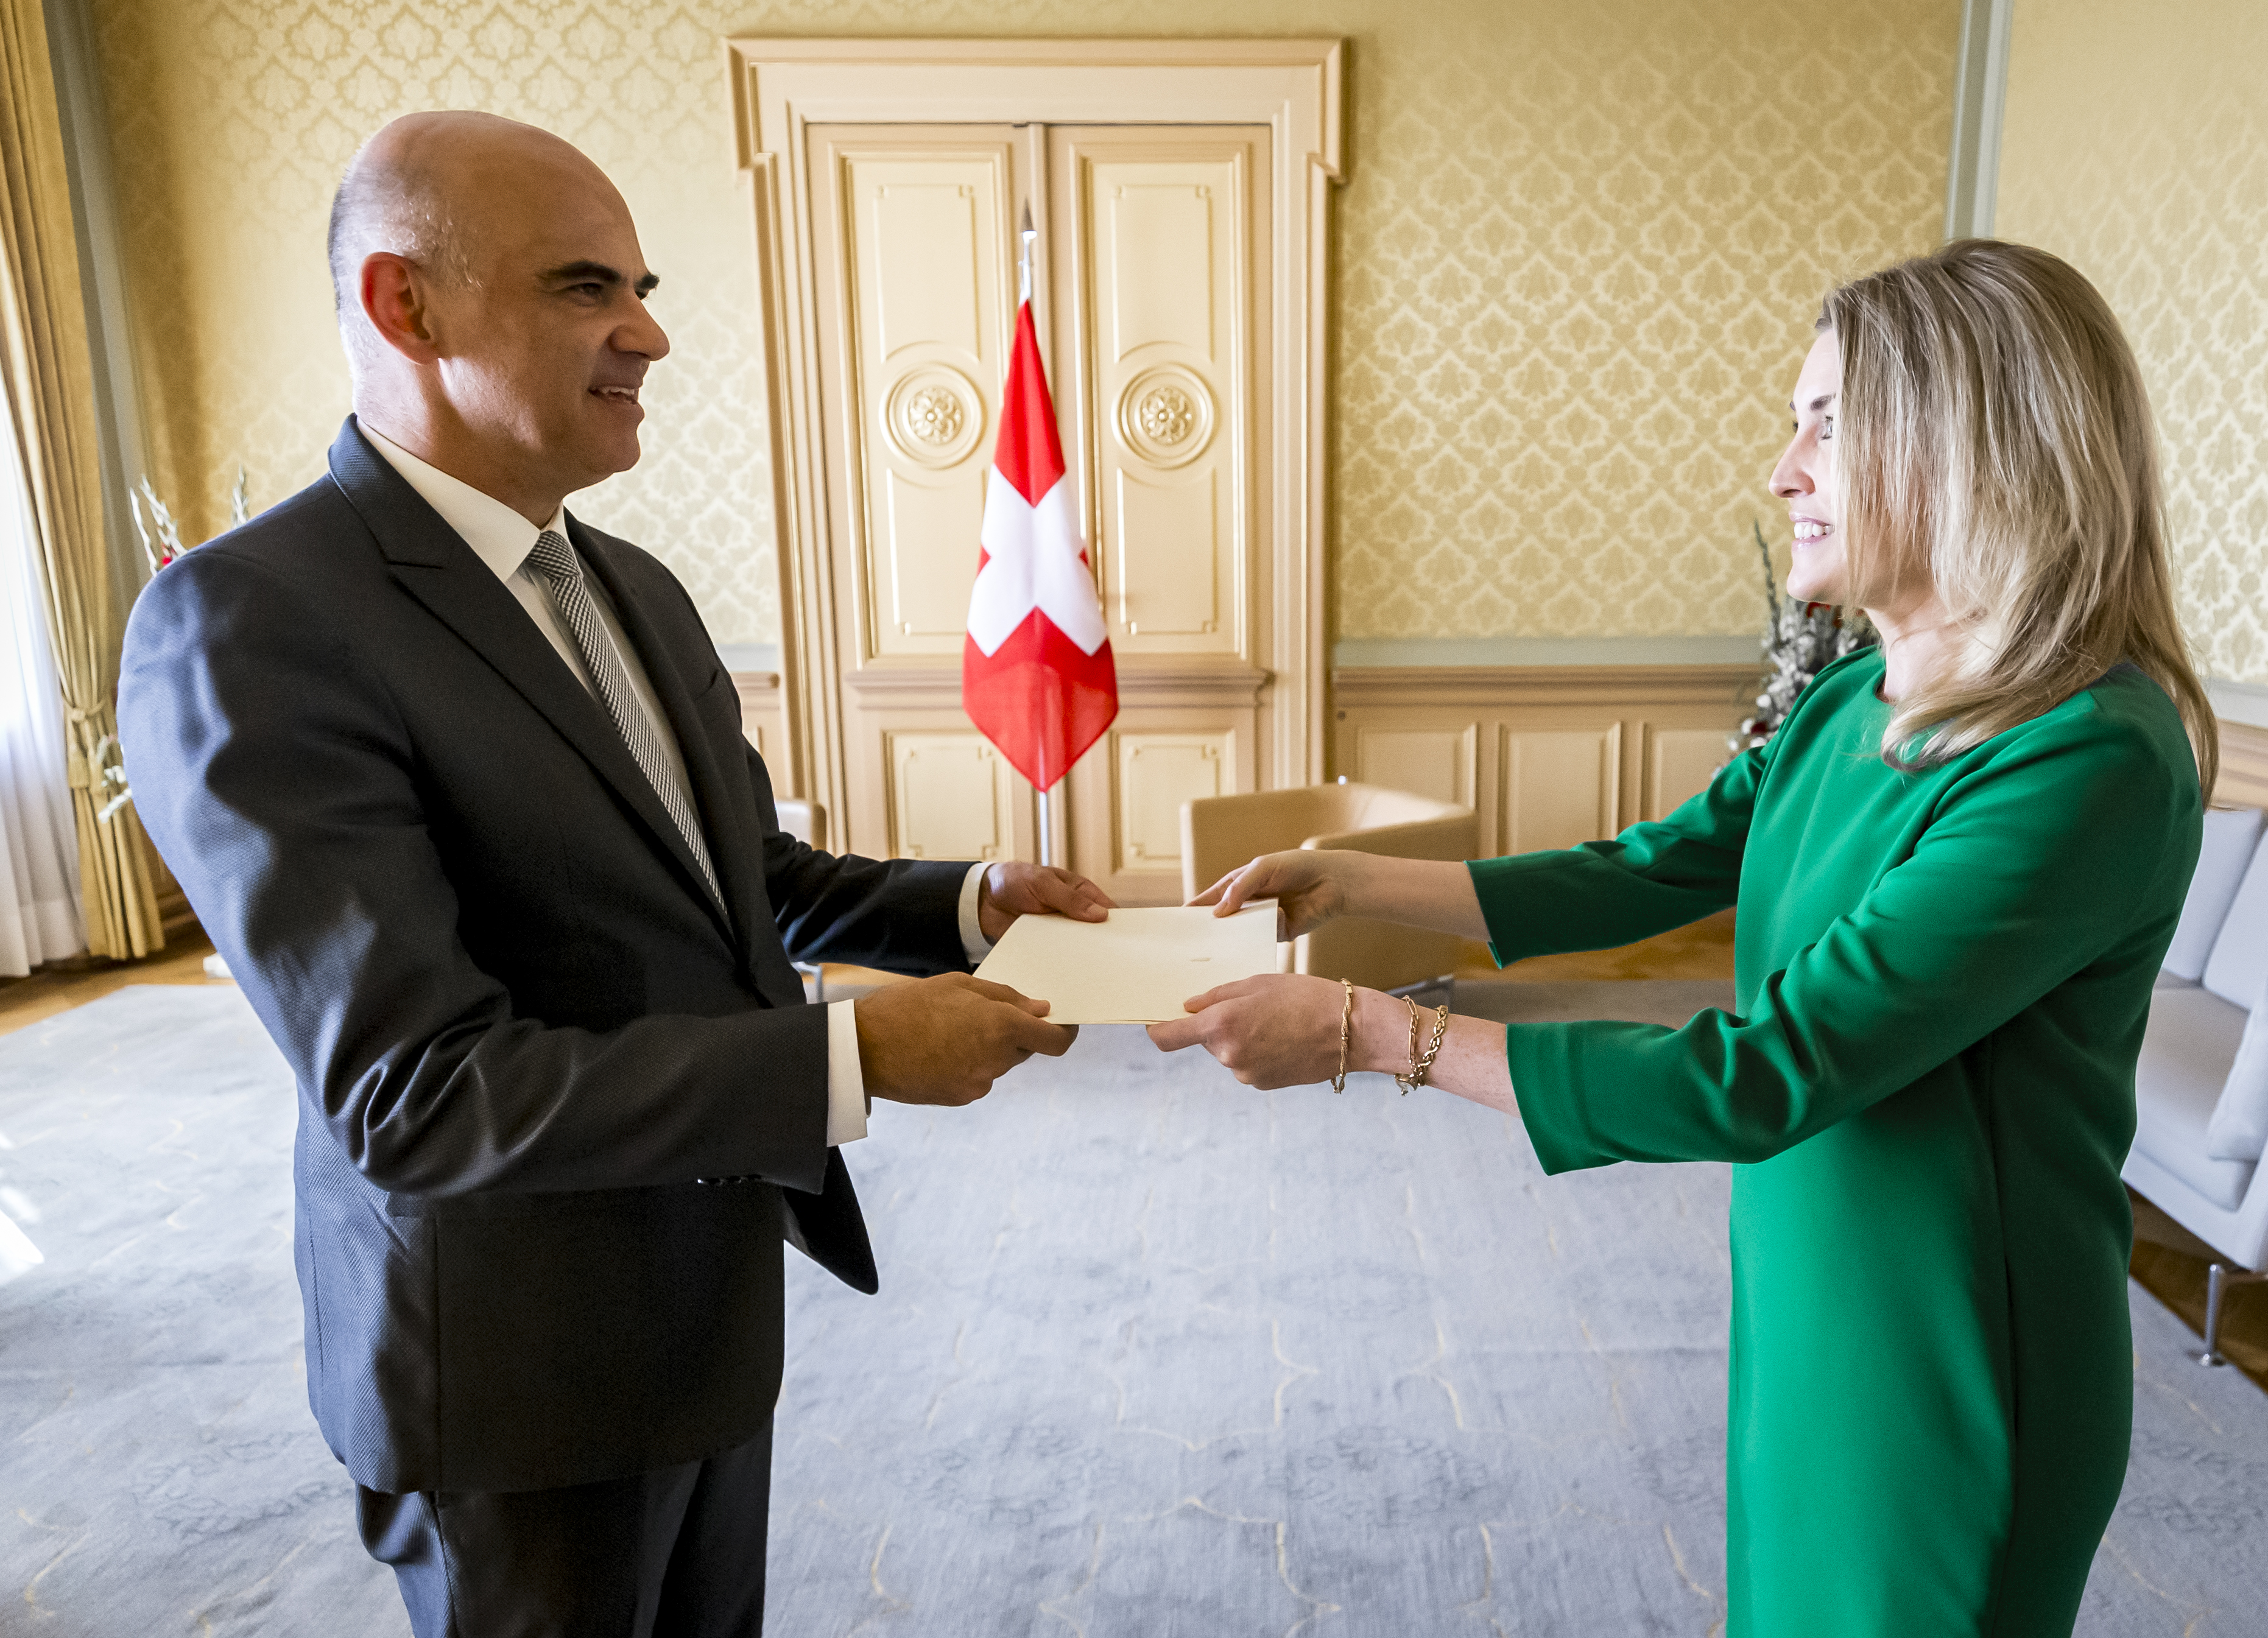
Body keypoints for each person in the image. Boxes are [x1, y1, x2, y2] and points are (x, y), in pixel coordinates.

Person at [118, 111, 1110, 1636]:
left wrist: (969, 900)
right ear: (408, 306)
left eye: (642, 287)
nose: (646, 332)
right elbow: (418, 1093)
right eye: (586, 288)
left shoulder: (626, 584)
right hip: (511, 1375)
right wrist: (841, 1057)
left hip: (701, 1315)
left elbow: (736, 879)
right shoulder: (250, 621)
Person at [1152, 239, 2214, 1636]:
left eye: (1825, 423)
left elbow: (1759, 1072)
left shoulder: (2089, 759)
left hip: (1953, 1337)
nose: (1783, 471)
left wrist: (1366, 1034)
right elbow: (1653, 868)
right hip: (1811, 1280)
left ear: (1964, 440)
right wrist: (1353, 880)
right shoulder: (1851, 702)